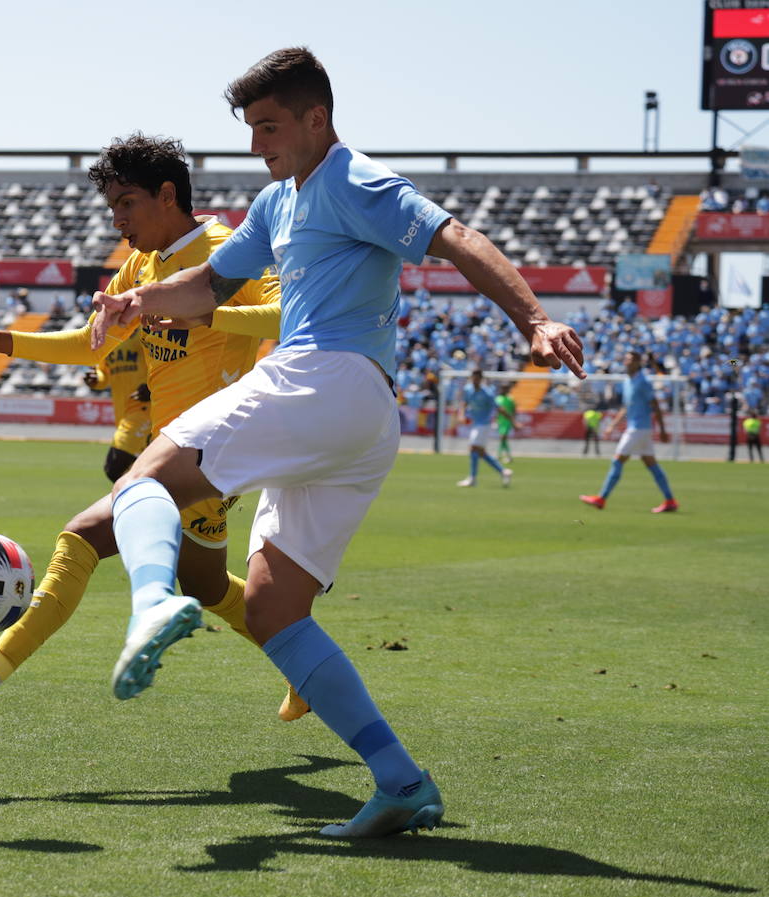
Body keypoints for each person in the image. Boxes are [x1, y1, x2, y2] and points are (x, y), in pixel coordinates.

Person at [88, 48, 585, 837]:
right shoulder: (279, 201)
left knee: (148, 476)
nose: (257, 145)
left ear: (317, 117)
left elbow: (456, 237)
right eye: (250, 129)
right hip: (360, 416)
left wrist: (535, 318)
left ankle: (153, 604)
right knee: (273, 607)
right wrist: (139, 298)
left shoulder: (355, 181)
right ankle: (401, 782)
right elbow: (210, 286)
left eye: (270, 126)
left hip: (324, 379)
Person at [0, 132, 281, 729]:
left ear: (167, 195)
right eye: (111, 207)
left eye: (126, 204)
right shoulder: (141, 267)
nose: (117, 220)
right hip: (175, 450)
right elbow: (94, 343)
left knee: (82, 536)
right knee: (208, 585)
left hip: (212, 447)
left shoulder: (225, 250)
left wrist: (202, 309)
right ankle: (310, 668)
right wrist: (0, 342)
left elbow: (287, 311)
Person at [581, 351, 678, 513]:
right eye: (625, 358)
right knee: (651, 464)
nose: (626, 362)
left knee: (617, 460)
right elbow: (626, 408)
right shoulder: (627, 382)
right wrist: (613, 425)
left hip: (638, 429)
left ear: (638, 362)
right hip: (640, 429)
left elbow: (655, 405)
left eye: (630, 359)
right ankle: (670, 500)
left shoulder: (643, 381)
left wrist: (663, 430)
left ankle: (602, 498)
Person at [83, 329, 151, 481]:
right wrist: (96, 379)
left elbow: (161, 363)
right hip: (122, 412)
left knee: (114, 468)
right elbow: (104, 374)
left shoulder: (145, 331)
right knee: (139, 471)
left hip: (145, 410)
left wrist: (152, 386)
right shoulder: (109, 338)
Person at [456, 368, 513, 487]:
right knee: (480, 452)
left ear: (481, 379)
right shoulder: (468, 389)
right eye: (473, 378)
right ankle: (503, 472)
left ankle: (472, 478)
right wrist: (461, 414)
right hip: (476, 424)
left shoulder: (487, 393)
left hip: (484, 424)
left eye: (477, 378)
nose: (475, 380)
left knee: (473, 448)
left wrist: (513, 420)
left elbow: (498, 408)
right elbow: (464, 403)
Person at [494, 383, 516, 464]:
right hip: (500, 421)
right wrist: (495, 420)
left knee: (502, 437)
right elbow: (496, 410)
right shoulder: (498, 399)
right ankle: (507, 456)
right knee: (503, 438)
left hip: (507, 421)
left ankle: (500, 455)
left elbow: (514, 410)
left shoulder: (511, 399)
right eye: (503, 388)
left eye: (506, 388)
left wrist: (513, 420)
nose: (504, 390)